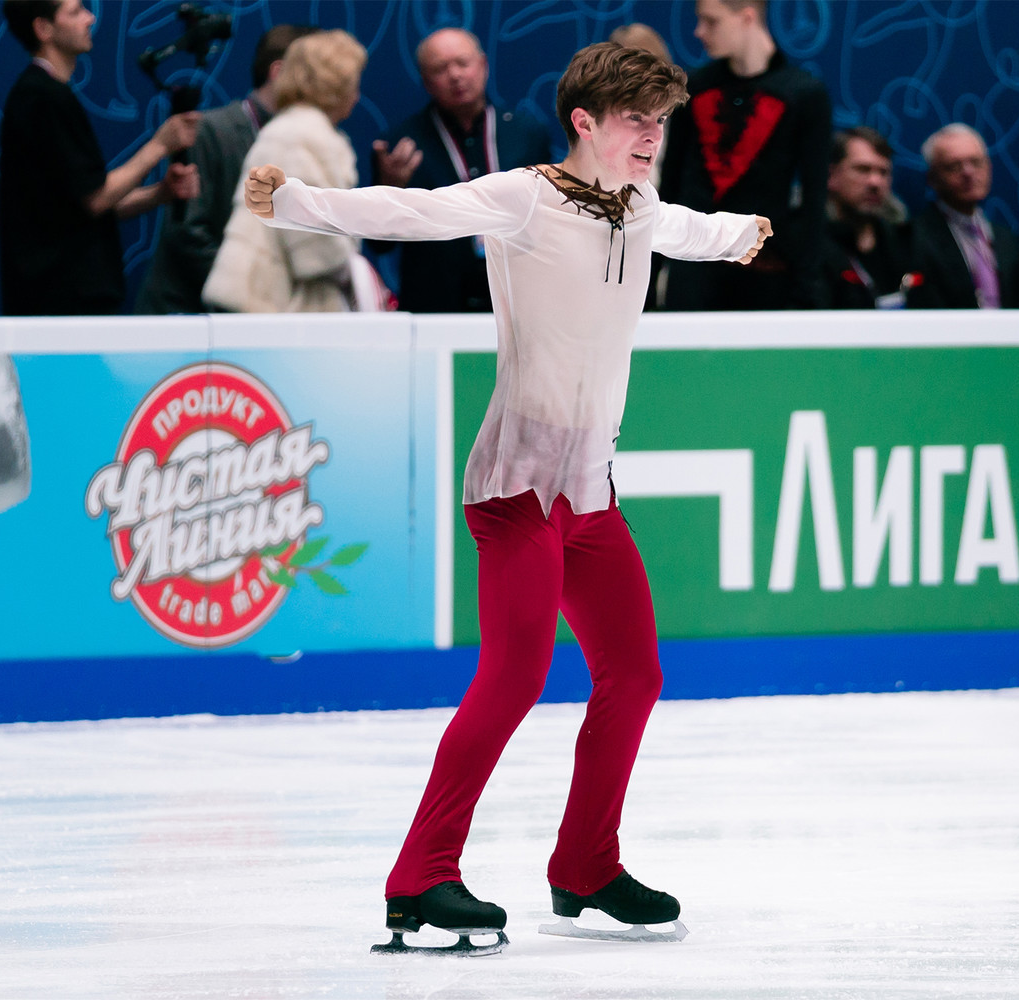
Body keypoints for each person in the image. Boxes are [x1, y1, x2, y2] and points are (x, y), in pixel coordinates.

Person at [244, 41, 769, 953]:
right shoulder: (525, 198)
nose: (653, 135)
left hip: (589, 492)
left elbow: (687, 228)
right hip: (517, 488)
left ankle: (586, 864)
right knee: (516, 676)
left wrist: (739, 232)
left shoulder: (640, 207)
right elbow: (413, 210)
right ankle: (419, 876)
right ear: (585, 122)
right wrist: (296, 201)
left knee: (634, 675)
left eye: (661, 121)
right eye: (636, 120)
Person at [0, 0, 199, 316]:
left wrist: (161, 193)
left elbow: (86, 206)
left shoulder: (48, 95)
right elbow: (96, 198)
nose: (90, 18)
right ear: (43, 28)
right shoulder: (43, 98)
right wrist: (160, 145)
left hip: (65, 299)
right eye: (75, 11)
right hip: (60, 303)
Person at [135, 24, 319, 315]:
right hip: (187, 318)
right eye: (315, 74)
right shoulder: (210, 131)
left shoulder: (307, 143)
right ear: (279, 72)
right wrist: (255, 299)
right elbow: (188, 233)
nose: (325, 89)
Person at [660, 0, 831, 310]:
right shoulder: (694, 88)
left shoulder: (805, 94)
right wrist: (650, 276)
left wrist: (807, 289)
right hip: (693, 271)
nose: (699, 32)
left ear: (747, 17)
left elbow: (814, 198)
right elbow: (670, 185)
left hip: (765, 271)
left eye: (711, 21)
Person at [202, 31, 390, 313]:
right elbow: (317, 243)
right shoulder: (305, 136)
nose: (357, 95)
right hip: (277, 303)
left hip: (266, 296)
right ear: (334, 85)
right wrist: (356, 276)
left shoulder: (292, 128)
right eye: (353, 83)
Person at [369, 28, 550, 312]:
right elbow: (379, 245)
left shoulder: (527, 134)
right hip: (435, 306)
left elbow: (549, 225)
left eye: (463, 63)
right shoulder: (401, 145)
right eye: (440, 68)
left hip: (517, 301)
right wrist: (391, 189)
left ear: (483, 66)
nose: (455, 75)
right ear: (425, 81)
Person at [906, 123, 1019, 309]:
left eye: (976, 162)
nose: (968, 172)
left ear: (989, 167)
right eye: (954, 166)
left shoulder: (1006, 239)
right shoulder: (914, 237)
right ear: (932, 178)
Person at [822, 127, 911, 309]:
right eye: (863, 170)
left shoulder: (905, 240)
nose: (875, 182)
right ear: (831, 176)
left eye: (883, 172)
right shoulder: (808, 245)